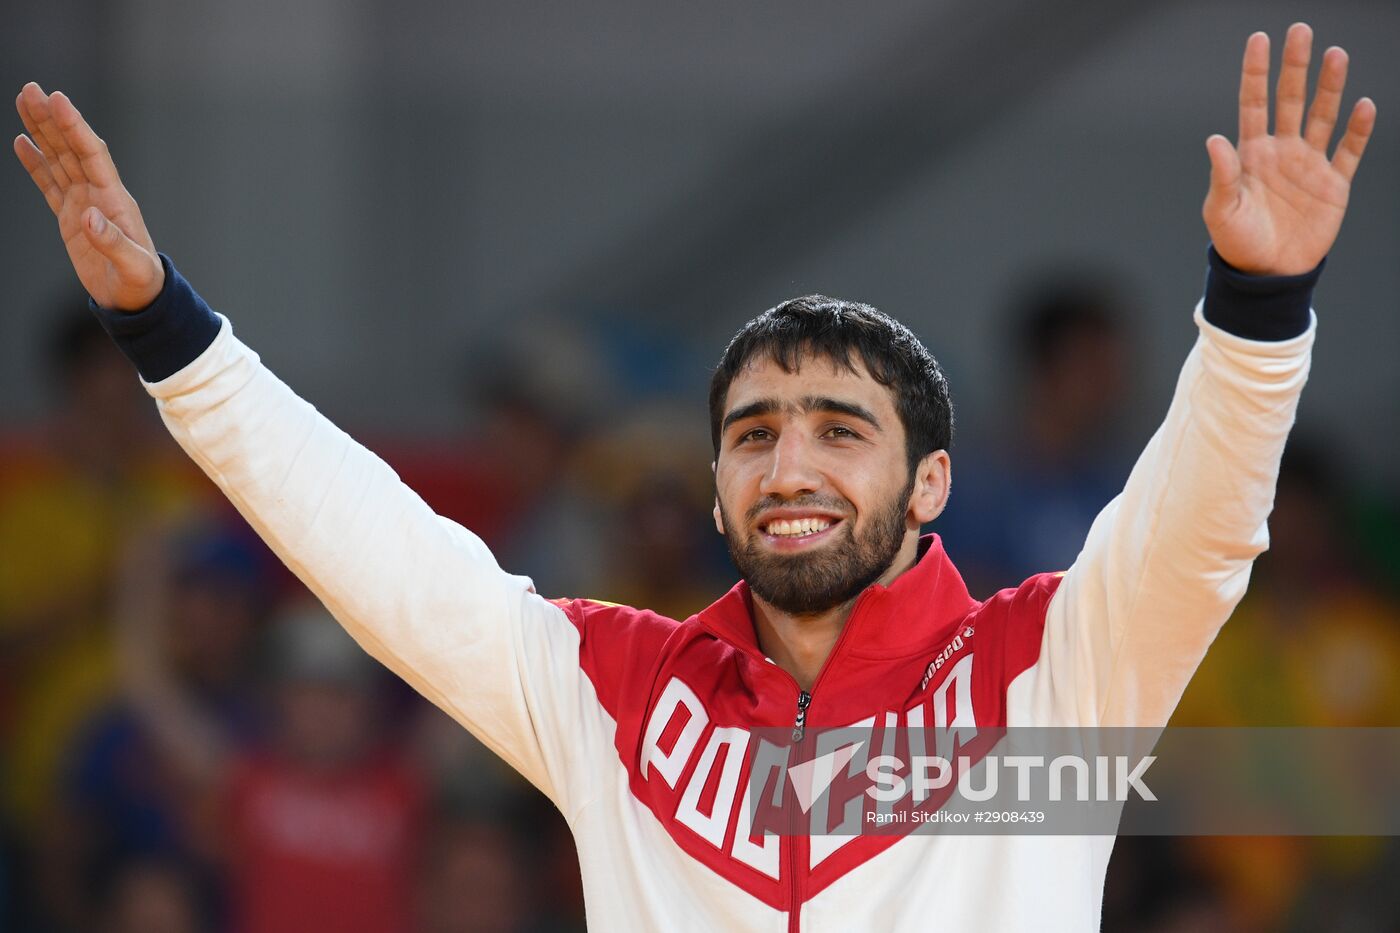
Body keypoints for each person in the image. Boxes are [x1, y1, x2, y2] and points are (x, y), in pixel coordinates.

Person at [12, 22, 1376, 931]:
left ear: (933, 485)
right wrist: (166, 331)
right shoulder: (615, 689)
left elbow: (1197, 528)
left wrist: (1256, 307)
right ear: (716, 490)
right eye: (755, 432)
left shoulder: (1052, 669)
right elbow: (378, 550)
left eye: (843, 429)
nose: (792, 462)